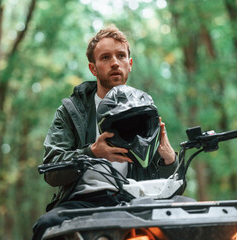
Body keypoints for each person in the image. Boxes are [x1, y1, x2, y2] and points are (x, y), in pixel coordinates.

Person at [31, 25, 178, 240]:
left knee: (187, 211)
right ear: (93, 68)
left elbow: (167, 185)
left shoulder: (145, 109)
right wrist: (92, 152)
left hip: (135, 198)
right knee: (46, 225)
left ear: (130, 64)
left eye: (121, 56)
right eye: (105, 57)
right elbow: (52, 172)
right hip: (82, 202)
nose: (115, 63)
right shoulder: (71, 112)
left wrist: (169, 160)